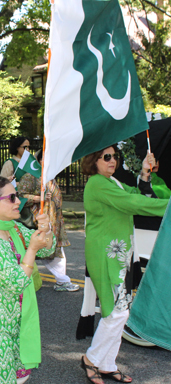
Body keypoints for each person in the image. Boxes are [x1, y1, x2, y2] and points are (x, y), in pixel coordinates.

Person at [79, 145, 168, 384]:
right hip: (105, 255)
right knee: (116, 311)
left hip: (119, 255)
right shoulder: (97, 184)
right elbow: (133, 203)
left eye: (114, 156)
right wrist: (168, 206)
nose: (112, 160)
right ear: (93, 160)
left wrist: (145, 173)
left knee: (121, 311)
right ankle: (91, 359)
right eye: (106, 157)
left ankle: (107, 363)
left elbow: (137, 193)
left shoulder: (112, 182)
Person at [0, 177, 55, 384]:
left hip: (16, 318)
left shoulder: (12, 227)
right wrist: (31, 249)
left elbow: (48, 248)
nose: (18, 202)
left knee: (17, 377)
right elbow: (17, 282)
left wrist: (46, 229)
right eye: (12, 197)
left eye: (17, 196)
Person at [17, 150, 79, 292]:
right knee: (49, 251)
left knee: (52, 250)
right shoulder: (31, 176)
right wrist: (38, 198)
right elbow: (19, 196)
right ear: (38, 160)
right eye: (45, 158)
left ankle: (59, 280)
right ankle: (62, 280)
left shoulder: (50, 176)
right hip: (38, 221)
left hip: (53, 221)